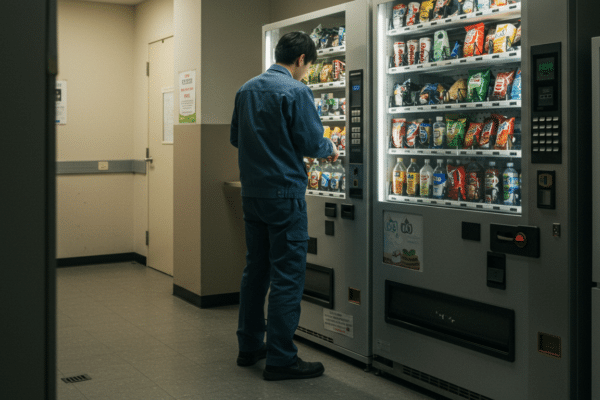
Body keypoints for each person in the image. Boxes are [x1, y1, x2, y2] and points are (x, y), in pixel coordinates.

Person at [230, 31, 339, 381]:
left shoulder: (246, 89)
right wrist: (330, 149)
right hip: (285, 196)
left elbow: (236, 137)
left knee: (255, 272)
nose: (306, 72)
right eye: (309, 66)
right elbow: (309, 141)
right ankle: (281, 357)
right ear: (302, 60)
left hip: (252, 195)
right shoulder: (296, 90)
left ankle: (249, 346)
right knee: (288, 277)